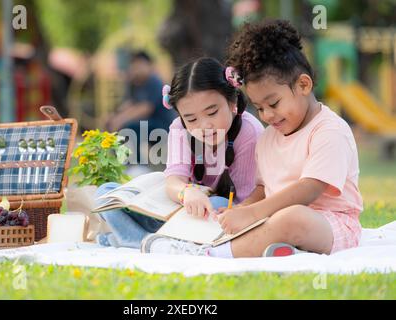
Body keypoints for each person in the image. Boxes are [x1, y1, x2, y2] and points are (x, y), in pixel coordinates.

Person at [142, 20, 363, 258]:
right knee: (254, 219)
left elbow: (309, 188)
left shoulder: (329, 130)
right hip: (274, 218)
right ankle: (271, 249)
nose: (267, 115)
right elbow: (261, 188)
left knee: (293, 218)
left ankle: (209, 254)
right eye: (259, 108)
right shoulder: (269, 137)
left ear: (303, 84)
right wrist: (241, 211)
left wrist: (253, 213)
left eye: (274, 103)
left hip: (330, 224)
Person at [95, 57, 264, 252]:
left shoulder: (249, 132)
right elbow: (174, 180)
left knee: (217, 202)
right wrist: (186, 192)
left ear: (232, 101)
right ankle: (153, 242)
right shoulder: (179, 128)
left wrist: (206, 205)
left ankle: (134, 240)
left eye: (212, 113)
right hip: (177, 211)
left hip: (215, 216)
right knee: (105, 193)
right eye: (191, 118)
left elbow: (242, 202)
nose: (203, 125)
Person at [106, 50, 176, 165]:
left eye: (140, 64)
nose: (136, 68)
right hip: (147, 123)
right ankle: (117, 163)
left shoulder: (154, 81)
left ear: (149, 65)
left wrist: (121, 119)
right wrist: (114, 117)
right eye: (134, 65)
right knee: (112, 124)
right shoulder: (134, 83)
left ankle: (136, 165)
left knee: (130, 127)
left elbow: (146, 108)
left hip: (162, 125)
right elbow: (129, 104)